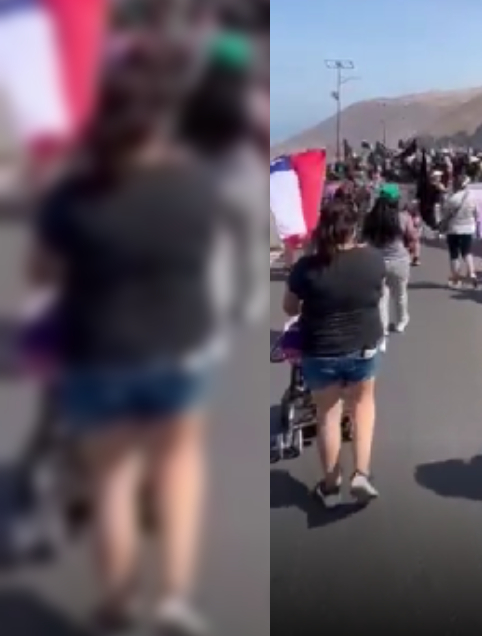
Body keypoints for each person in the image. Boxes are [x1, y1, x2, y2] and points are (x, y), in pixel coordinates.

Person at [29, 41, 250, 634]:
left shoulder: (71, 197)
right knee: (179, 469)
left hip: (99, 355)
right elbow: (211, 256)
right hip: (181, 351)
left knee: (112, 484)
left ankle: (120, 601)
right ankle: (174, 600)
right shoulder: (197, 187)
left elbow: (43, 274)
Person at [283, 202, 383, 509]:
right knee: (363, 406)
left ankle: (330, 486)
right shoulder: (372, 260)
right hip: (363, 346)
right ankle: (362, 475)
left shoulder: (306, 267)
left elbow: (289, 308)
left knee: (328, 415)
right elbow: (375, 294)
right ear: (354, 227)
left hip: (321, 351)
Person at [362, 185, 417, 340]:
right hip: (399, 260)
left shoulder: (371, 217)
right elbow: (412, 237)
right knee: (400, 293)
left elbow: (363, 238)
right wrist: (411, 250)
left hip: (377, 261)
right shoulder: (403, 217)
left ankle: (383, 326)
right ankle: (401, 321)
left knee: (381, 295)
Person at [438, 171, 479, 289]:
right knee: (467, 252)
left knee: (454, 254)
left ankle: (456, 279)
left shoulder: (452, 199)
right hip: (469, 228)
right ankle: (472, 273)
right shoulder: (472, 197)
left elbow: (445, 215)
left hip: (454, 229)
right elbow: (476, 213)